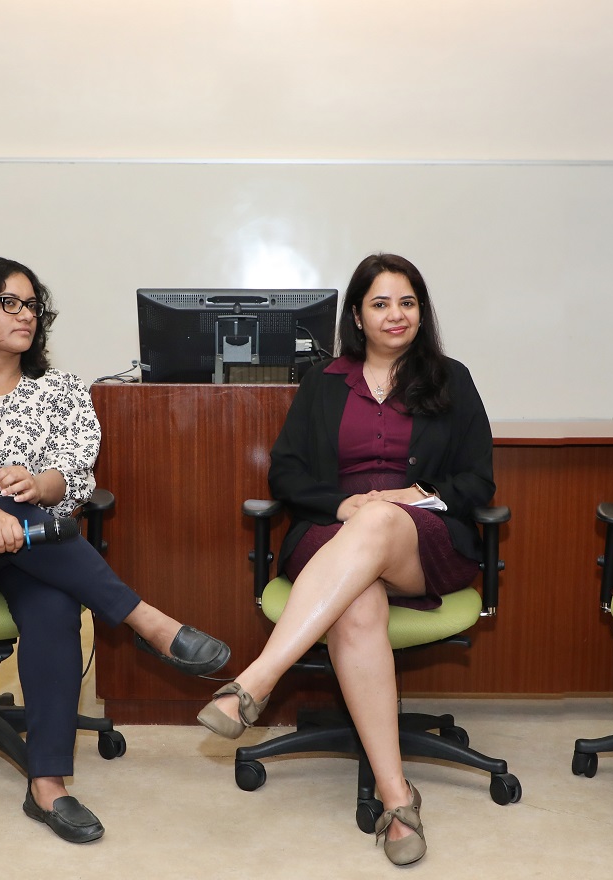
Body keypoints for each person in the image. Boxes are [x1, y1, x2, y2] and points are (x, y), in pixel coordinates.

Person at [0, 255, 230, 844]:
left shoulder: (63, 390)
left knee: (52, 600)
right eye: (10, 303)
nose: (26, 316)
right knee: (31, 525)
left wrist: (39, 485)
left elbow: (74, 477)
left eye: (32, 306)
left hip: (31, 546)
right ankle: (147, 621)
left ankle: (48, 785)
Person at [197, 253, 495, 867]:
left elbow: (478, 480)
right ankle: (397, 798)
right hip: (333, 536)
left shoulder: (452, 379)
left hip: (423, 541)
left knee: (382, 519)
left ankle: (257, 680)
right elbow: (286, 472)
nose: (395, 314)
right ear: (356, 316)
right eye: (380, 303)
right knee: (357, 605)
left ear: (422, 312)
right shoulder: (325, 382)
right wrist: (343, 503)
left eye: (407, 302)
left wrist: (414, 497)